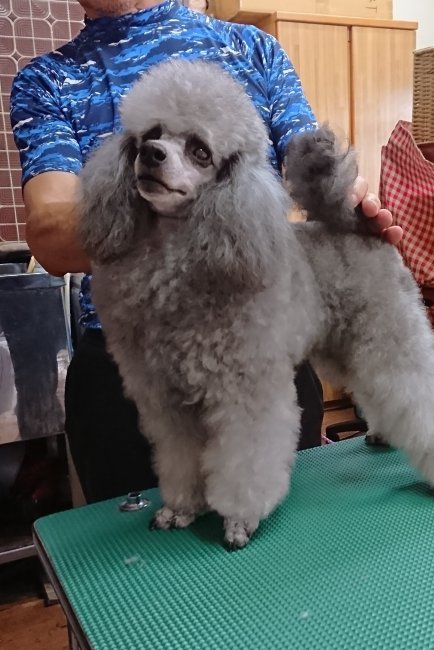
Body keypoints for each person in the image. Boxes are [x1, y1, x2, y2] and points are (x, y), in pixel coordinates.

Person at [10, 0, 403, 504]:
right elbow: (50, 232)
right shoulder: (48, 79)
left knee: (281, 553)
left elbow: (309, 170)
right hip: (125, 368)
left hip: (260, 345)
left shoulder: (254, 49)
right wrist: (192, 207)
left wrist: (350, 199)